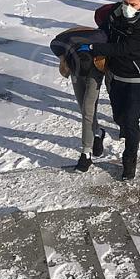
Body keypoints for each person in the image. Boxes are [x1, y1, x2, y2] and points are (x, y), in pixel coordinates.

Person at [81, 0, 140, 180]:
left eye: (132, 4)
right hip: (117, 76)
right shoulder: (117, 13)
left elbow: (123, 48)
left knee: (130, 121)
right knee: (119, 117)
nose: (127, 7)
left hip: (139, 79)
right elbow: (104, 25)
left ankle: (129, 162)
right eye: (125, 2)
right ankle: (134, 132)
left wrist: (93, 48)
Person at [49, 27, 108, 172]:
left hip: (95, 70)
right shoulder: (62, 44)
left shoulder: (100, 38)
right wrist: (64, 61)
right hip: (76, 69)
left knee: (88, 108)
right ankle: (98, 132)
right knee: (84, 108)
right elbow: (54, 45)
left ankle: (86, 154)